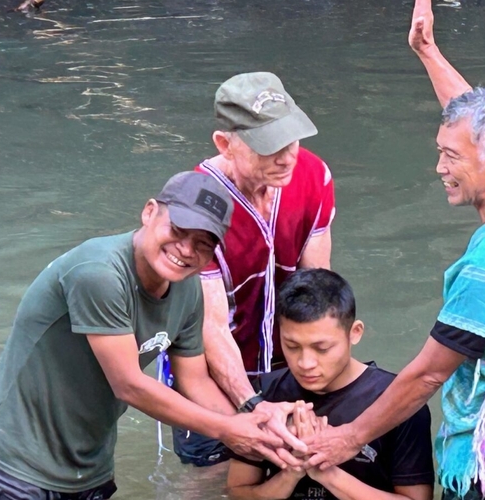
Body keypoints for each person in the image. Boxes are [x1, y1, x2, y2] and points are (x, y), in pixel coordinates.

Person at [304, 2, 485, 499]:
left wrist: (344, 441)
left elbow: (427, 374)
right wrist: (428, 52)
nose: (439, 167)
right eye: (441, 150)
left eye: (451, 156)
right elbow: (475, 114)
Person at [0, 171, 304, 500]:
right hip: (15, 456)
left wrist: (260, 426)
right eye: (178, 229)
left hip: (87, 462)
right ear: (149, 211)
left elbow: (196, 381)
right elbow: (128, 384)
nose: (186, 250)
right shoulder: (100, 274)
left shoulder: (187, 291)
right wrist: (228, 431)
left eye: (203, 243)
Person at [170, 71, 336, 466]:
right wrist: (251, 406)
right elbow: (209, 326)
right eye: (268, 146)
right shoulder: (197, 205)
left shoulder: (313, 176)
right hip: (214, 374)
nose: (286, 157)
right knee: (210, 476)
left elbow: (319, 289)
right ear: (225, 144)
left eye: (291, 139)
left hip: (291, 363)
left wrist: (332, 380)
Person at [226, 269, 434, 500]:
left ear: (354, 333)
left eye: (322, 349)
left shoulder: (398, 402)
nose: (305, 363)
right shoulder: (266, 395)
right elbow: (239, 492)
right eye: (292, 346)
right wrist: (292, 472)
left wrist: (326, 472)